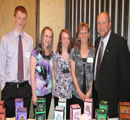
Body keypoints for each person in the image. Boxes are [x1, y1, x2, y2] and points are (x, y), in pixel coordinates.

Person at [92, 12, 130, 118]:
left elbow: (125, 77)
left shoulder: (120, 43)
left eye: (103, 23)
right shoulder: (97, 42)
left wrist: (123, 105)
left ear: (110, 24)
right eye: (98, 23)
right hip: (97, 98)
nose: (101, 26)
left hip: (112, 103)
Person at [0, 6, 33, 118]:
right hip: (10, 89)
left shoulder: (30, 40)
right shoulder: (5, 39)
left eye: (24, 18)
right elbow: (1, 64)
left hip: (25, 89)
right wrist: (3, 86)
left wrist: (29, 85)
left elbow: (30, 65)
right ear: (14, 18)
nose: (21, 21)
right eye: (19, 18)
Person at [70, 22, 95, 113]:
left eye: (85, 32)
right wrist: (80, 92)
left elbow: (94, 73)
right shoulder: (74, 51)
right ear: (78, 35)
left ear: (89, 35)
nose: (83, 35)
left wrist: (89, 92)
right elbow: (73, 73)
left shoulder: (93, 51)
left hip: (90, 93)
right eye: (81, 32)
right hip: (77, 93)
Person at [30, 26, 53, 119]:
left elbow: (51, 74)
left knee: (45, 117)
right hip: (38, 94)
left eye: (50, 37)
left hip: (48, 92)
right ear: (42, 36)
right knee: (39, 118)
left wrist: (52, 90)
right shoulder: (36, 52)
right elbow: (31, 74)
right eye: (46, 36)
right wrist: (34, 94)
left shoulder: (50, 53)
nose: (48, 39)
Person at [52, 29, 73, 119]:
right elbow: (55, 71)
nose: (66, 40)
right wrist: (59, 85)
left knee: (68, 116)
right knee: (59, 116)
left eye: (68, 38)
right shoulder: (55, 54)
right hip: (59, 92)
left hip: (70, 91)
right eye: (63, 38)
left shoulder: (73, 53)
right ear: (60, 40)